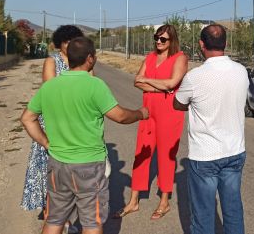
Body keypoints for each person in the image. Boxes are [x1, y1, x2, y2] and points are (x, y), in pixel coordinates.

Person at [20, 37, 149, 234]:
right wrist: (141, 113)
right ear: (90, 58)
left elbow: (27, 119)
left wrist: (46, 142)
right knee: (92, 222)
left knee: (54, 219)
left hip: (57, 164)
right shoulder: (94, 85)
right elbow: (120, 117)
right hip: (89, 165)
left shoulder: (49, 87)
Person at [174, 24, 249, 234]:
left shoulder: (194, 77)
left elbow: (178, 104)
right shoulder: (241, 71)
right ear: (225, 43)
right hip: (234, 151)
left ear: (201, 44)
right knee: (233, 210)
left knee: (203, 216)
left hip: (205, 156)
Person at [114, 24, 189, 220]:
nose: (158, 41)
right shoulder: (150, 57)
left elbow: (172, 83)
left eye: (163, 39)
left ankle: (164, 201)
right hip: (148, 111)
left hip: (169, 113)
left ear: (171, 40)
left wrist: (150, 82)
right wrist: (159, 88)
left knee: (166, 156)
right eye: (156, 38)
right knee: (141, 153)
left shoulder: (180, 58)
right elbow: (137, 81)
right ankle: (133, 201)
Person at [21, 25, 84, 215]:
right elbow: (51, 89)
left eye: (74, 41)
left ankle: (65, 214)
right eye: (67, 41)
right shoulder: (52, 60)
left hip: (75, 122)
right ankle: (51, 212)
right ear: (61, 43)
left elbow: (90, 86)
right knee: (50, 169)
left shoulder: (81, 61)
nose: (70, 44)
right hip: (53, 122)